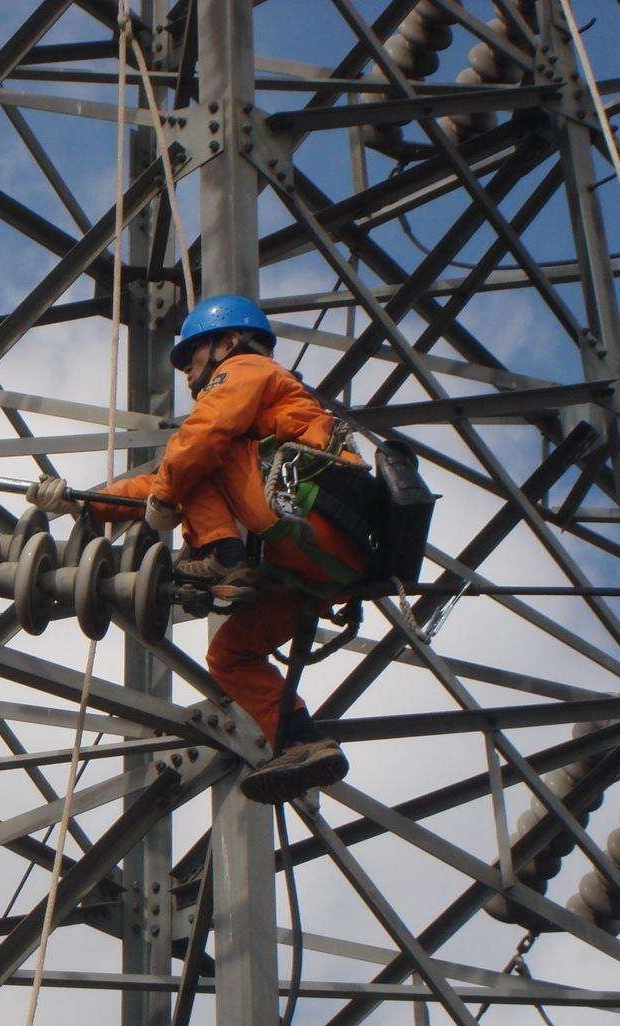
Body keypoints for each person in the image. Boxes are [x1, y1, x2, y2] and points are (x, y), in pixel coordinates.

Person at [27, 294, 367, 804]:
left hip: (309, 520)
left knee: (194, 452)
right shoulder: (248, 430)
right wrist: (81, 504)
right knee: (229, 655)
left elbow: (196, 448)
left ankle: (221, 554)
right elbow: (165, 481)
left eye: (194, 358)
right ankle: (302, 742)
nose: (188, 376)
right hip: (316, 566)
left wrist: (168, 496)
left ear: (228, 343)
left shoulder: (249, 369)